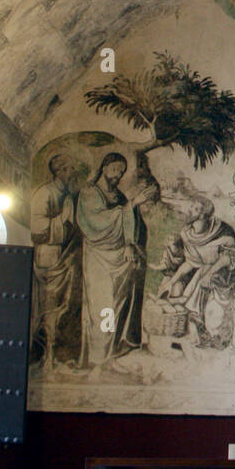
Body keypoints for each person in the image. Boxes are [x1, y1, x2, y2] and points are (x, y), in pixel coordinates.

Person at [77, 153, 157, 370]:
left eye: (121, 171)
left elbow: (130, 225)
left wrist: (131, 243)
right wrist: (133, 204)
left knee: (116, 306)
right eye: (115, 169)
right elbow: (96, 223)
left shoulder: (119, 197)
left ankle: (111, 354)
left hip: (119, 262)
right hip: (98, 259)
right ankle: (98, 359)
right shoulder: (89, 193)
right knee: (102, 306)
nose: (118, 175)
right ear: (104, 167)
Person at [157, 194, 235, 347]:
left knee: (203, 282)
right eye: (191, 207)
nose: (189, 211)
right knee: (175, 285)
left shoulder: (223, 231)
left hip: (221, 275)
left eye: (194, 208)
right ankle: (183, 332)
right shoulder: (187, 234)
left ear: (203, 214)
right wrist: (171, 281)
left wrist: (209, 273)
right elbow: (190, 262)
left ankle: (206, 334)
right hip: (200, 273)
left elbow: (227, 259)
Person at [30, 154, 81, 370]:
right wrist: (62, 218)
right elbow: (37, 229)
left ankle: (59, 354)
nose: (72, 174)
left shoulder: (68, 195)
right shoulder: (44, 194)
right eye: (69, 170)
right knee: (49, 307)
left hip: (66, 258)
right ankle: (46, 356)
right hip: (48, 258)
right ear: (59, 171)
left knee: (65, 306)